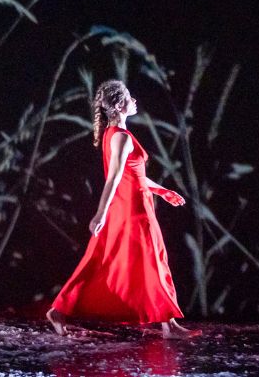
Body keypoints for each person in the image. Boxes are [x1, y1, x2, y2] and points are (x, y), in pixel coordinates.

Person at [46, 80, 200, 340]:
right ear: (119, 105)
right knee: (151, 260)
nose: (135, 101)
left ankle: (60, 311)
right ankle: (169, 325)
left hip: (133, 205)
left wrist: (162, 190)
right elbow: (114, 178)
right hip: (131, 210)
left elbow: (133, 175)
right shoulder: (120, 137)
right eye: (130, 97)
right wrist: (100, 213)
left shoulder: (115, 135)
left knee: (108, 260)